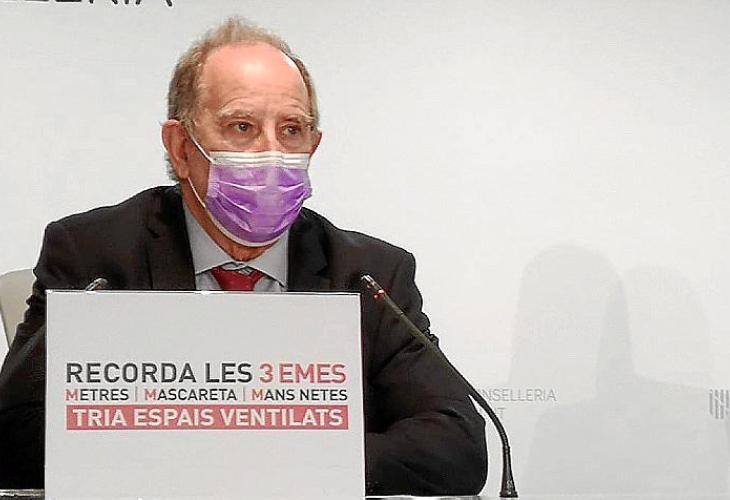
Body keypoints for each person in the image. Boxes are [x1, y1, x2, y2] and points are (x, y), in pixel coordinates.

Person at [0, 17, 487, 495]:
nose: (272, 152)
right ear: (180, 147)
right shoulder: (96, 256)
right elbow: (13, 437)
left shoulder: (369, 275)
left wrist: (283, 459)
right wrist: (221, 454)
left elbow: (455, 446)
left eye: (292, 130)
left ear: (314, 146)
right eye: (242, 127)